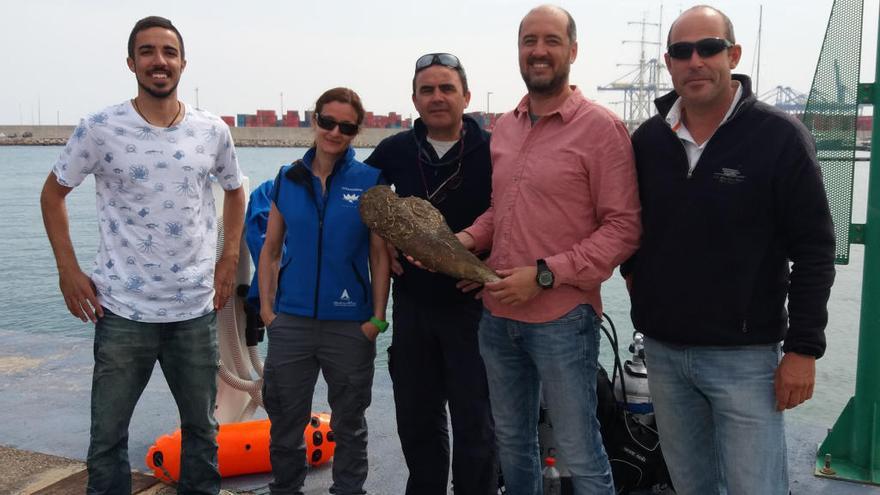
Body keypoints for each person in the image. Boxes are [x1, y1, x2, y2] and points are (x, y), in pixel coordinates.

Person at [623, 6, 836, 494]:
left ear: (733, 54)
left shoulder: (780, 138)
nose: (695, 61)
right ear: (669, 63)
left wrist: (803, 350)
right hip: (664, 351)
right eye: (682, 51)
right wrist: (638, 278)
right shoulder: (649, 141)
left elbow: (814, 250)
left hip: (746, 358)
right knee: (691, 485)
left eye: (709, 48)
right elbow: (627, 222)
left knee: (754, 486)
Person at [39, 16, 245, 495]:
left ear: (183, 63)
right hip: (123, 310)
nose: (159, 61)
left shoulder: (211, 131)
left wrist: (227, 259)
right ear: (131, 63)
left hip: (194, 309)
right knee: (107, 438)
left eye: (169, 52)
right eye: (148, 52)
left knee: (202, 431)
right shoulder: (100, 128)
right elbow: (53, 195)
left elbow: (235, 192)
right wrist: (68, 270)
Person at [456, 5, 641, 495]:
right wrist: (467, 241)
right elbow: (502, 212)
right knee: (513, 441)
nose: (538, 51)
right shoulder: (507, 126)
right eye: (529, 40)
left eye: (551, 41)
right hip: (497, 316)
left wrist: (543, 275)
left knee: (580, 449)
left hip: (563, 320)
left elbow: (623, 228)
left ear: (572, 51)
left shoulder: (601, 128)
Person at [364, 53, 497, 495]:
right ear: (414, 99)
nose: (437, 97)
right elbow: (358, 205)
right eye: (427, 90)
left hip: (474, 311)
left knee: (476, 422)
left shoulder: (495, 149)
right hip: (414, 309)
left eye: (446, 88)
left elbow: (522, 216)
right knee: (417, 420)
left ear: (466, 96)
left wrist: (492, 271)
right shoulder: (393, 150)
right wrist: (382, 243)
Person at [258, 87, 390, 495]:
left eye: (346, 126)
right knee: (284, 422)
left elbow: (379, 256)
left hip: (349, 327)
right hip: (291, 322)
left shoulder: (370, 181)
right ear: (314, 120)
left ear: (356, 132)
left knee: (350, 424)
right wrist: (267, 312)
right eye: (328, 121)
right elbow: (270, 249)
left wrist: (377, 320)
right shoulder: (288, 178)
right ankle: (286, 489)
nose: (335, 131)